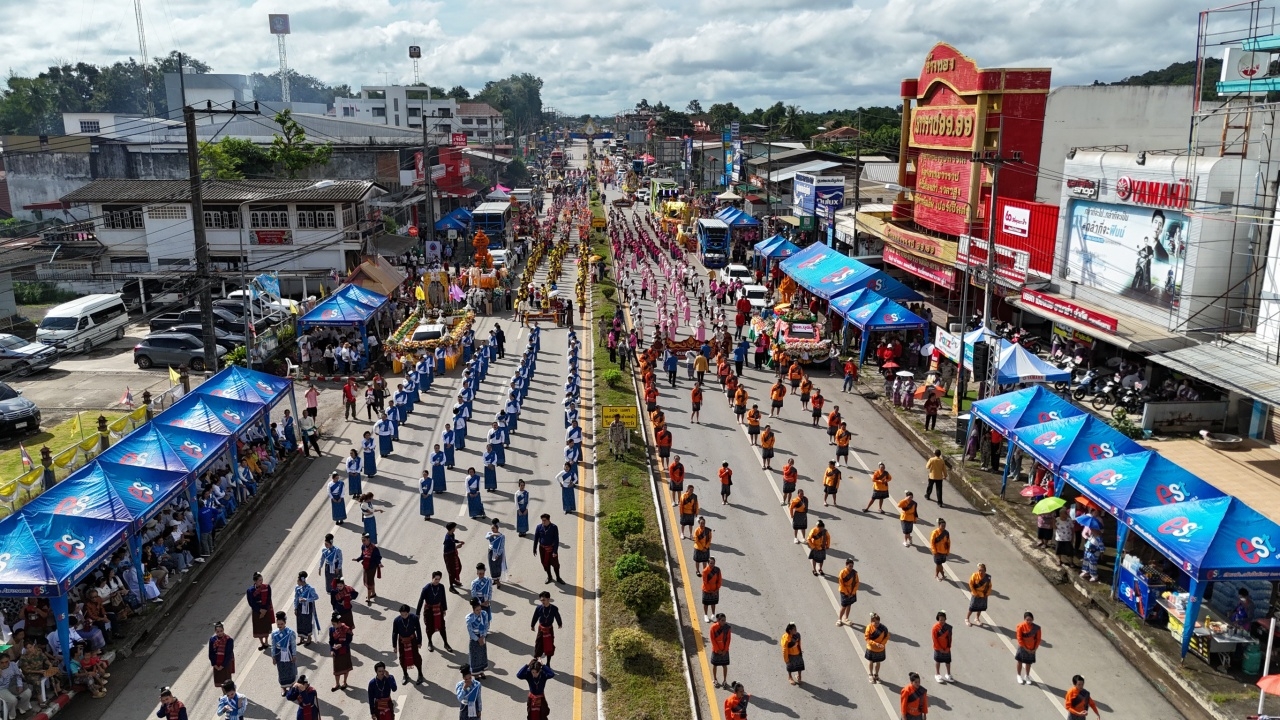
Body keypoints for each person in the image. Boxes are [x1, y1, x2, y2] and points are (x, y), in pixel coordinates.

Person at [416, 571, 453, 652]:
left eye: (438, 579)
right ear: (432, 578)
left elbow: (443, 598)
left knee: (442, 627)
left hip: (438, 609)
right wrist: (417, 613)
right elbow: (421, 600)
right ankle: (430, 642)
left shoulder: (441, 587)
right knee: (429, 627)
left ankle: (446, 643)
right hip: (429, 610)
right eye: (435, 579)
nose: (437, 581)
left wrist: (444, 609)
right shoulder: (426, 588)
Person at [392, 605, 426, 685]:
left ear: (408, 613)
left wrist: (419, 641)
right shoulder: (397, 620)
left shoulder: (414, 618)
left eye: (405, 614)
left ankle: (420, 674)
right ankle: (405, 674)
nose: (404, 616)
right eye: (402, 614)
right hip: (402, 641)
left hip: (412, 640)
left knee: (416, 657)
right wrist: (394, 646)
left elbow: (418, 630)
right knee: (402, 658)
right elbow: (394, 633)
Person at [531, 591, 563, 667]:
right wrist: (532, 625)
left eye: (544, 600)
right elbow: (535, 617)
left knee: (549, 646)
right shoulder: (539, 608)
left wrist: (559, 623)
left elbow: (557, 616)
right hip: (541, 630)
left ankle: (548, 662)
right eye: (541, 600)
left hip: (549, 629)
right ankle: (536, 661)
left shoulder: (554, 608)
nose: (542, 602)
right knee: (538, 645)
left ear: (548, 599)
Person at [270, 611, 299, 694]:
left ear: (285, 623)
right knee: (281, 670)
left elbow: (293, 645)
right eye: (278, 624)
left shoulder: (290, 633)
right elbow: (273, 645)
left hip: (288, 653)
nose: (280, 626)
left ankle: (291, 686)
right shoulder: (274, 634)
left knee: (290, 669)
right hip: (279, 654)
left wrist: (294, 655)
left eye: (281, 624)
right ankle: (283, 687)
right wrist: (273, 657)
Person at [247, 572, 274, 650]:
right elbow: (251, 602)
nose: (261, 582)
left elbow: (268, 599)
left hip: (265, 609)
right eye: (259, 580)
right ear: (255, 581)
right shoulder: (250, 590)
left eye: (262, 580)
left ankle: (266, 641)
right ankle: (261, 642)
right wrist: (259, 610)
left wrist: (265, 609)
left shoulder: (267, 587)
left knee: (265, 626)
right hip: (256, 611)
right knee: (258, 627)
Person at [534, 514, 564, 584]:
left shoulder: (554, 527)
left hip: (551, 548)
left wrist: (555, 551)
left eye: (545, 520)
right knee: (545, 563)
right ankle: (549, 576)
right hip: (542, 549)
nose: (543, 522)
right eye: (542, 520)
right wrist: (534, 548)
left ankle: (558, 577)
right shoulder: (539, 527)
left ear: (549, 520)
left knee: (555, 564)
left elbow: (556, 540)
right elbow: (536, 538)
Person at [327, 612, 353, 691]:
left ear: (339, 623)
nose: (333, 626)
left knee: (346, 667)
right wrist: (332, 649)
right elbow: (331, 641)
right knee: (337, 669)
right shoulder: (332, 630)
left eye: (334, 624)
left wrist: (341, 645)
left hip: (345, 651)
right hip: (336, 652)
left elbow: (349, 640)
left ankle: (344, 682)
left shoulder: (346, 629)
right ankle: (337, 683)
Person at [1015, 611, 1042, 685]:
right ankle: (1019, 675)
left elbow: (1038, 639)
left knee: (1028, 663)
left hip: (1032, 648)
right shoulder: (1020, 626)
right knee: (1019, 661)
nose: (1029, 621)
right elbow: (1019, 638)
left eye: (1031, 620)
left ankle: (1027, 676)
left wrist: (1035, 649)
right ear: (1024, 619)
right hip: (1022, 647)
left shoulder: (1037, 628)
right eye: (1027, 620)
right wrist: (1025, 648)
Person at [466, 599, 490, 677]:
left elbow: (486, 625)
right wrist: (478, 639)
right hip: (474, 639)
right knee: (475, 657)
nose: (479, 611)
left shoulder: (484, 614)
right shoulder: (469, 618)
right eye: (477, 610)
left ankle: (481, 671)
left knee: (482, 655)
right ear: (473, 610)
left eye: (480, 609)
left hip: (482, 637)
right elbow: (470, 632)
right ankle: (476, 674)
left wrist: (483, 636)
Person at [208, 621, 236, 687]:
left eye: (221, 631)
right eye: (218, 632)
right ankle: (225, 694)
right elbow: (211, 653)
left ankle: (228, 695)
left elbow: (229, 654)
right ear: (215, 631)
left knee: (227, 682)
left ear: (223, 630)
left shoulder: (229, 640)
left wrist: (222, 665)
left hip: (225, 664)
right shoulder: (212, 640)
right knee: (220, 682)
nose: (220, 633)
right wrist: (214, 664)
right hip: (216, 664)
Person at [294, 572, 319, 645]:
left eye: (298, 580)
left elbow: (316, 597)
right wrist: (295, 608)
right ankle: (301, 637)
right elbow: (295, 598)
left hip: (307, 607)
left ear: (302, 580)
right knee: (300, 622)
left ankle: (309, 637)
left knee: (307, 622)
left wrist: (306, 599)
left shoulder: (310, 588)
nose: (297, 582)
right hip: (300, 607)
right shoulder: (297, 588)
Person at [864, 613, 889, 683]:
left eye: (878, 623)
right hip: (871, 648)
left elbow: (887, 637)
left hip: (880, 649)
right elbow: (867, 638)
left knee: (878, 662)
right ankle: (870, 675)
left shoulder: (883, 628)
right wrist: (875, 644)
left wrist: (882, 644)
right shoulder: (869, 627)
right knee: (871, 661)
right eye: (875, 623)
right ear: (871, 622)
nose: (877, 624)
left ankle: (876, 675)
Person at [709, 613, 731, 688]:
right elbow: (712, 640)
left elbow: (728, 639)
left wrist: (725, 650)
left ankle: (725, 680)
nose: (724, 622)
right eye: (722, 620)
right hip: (716, 650)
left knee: (724, 665)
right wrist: (717, 650)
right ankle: (715, 679)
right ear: (718, 620)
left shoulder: (727, 628)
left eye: (724, 620)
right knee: (715, 665)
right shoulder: (713, 628)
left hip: (724, 650)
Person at [359, 533, 383, 601]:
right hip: (365, 566)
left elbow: (378, 557)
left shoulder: (374, 548)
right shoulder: (363, 547)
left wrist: (379, 563)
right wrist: (358, 559)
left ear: (368, 539)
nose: (363, 542)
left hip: (372, 567)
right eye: (362, 540)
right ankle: (373, 593)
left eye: (364, 540)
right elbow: (362, 556)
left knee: (369, 582)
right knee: (370, 580)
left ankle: (369, 598)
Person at [836, 558, 859, 627]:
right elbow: (841, 584)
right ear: (846, 565)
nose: (851, 567)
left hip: (851, 591)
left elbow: (857, 583)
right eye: (850, 566)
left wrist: (853, 592)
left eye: (852, 566)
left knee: (849, 605)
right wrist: (846, 593)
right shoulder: (842, 572)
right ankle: (839, 619)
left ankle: (846, 618)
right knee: (844, 606)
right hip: (844, 591)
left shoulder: (854, 573)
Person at [932, 611, 954, 683]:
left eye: (943, 619)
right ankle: (937, 674)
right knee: (938, 661)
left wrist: (948, 647)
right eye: (940, 619)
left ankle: (948, 674)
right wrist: (939, 648)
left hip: (946, 648)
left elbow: (950, 638)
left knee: (948, 661)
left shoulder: (948, 628)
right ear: (938, 619)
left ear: (945, 619)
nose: (942, 621)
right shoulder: (935, 628)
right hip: (938, 648)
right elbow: (934, 639)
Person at [444, 522, 466, 590]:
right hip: (449, 555)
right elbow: (448, 548)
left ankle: (453, 580)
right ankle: (451, 586)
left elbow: (453, 540)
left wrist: (459, 541)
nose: (455, 529)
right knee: (451, 571)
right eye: (454, 528)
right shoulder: (447, 538)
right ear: (452, 529)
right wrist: (457, 547)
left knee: (459, 566)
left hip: (453, 554)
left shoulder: (451, 534)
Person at [486, 520, 507, 588]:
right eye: (492, 528)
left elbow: (502, 546)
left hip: (498, 552)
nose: (492, 530)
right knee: (491, 565)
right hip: (491, 551)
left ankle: (498, 580)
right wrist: (493, 534)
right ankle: (494, 579)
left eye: (494, 528)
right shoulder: (490, 534)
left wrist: (498, 554)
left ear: (497, 528)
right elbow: (487, 537)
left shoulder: (502, 536)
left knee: (498, 566)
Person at [701, 557, 722, 622]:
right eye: (710, 563)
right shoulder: (705, 571)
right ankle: (706, 615)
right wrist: (710, 591)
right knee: (706, 603)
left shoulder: (717, 570)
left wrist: (717, 588)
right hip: (707, 590)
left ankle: (713, 615)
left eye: (713, 563)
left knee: (713, 603)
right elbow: (705, 582)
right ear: (708, 563)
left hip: (715, 589)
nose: (712, 564)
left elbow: (719, 579)